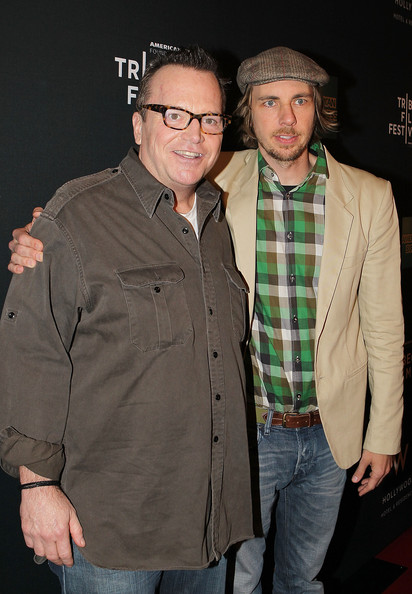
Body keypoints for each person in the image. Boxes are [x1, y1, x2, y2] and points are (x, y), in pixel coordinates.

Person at [8, 47, 405, 593]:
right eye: (268, 102)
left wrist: (383, 431)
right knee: (238, 583)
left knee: (302, 579)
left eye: (299, 101)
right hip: (222, 449)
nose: (285, 119)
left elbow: (384, 325)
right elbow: (39, 342)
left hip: (295, 450)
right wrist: (44, 234)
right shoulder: (208, 184)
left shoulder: (349, 197)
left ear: (320, 110)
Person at [0, 46, 254, 594]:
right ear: (139, 124)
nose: (194, 134)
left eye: (210, 119)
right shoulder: (77, 216)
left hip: (207, 520)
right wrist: (37, 485)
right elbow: (33, 351)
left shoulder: (215, 219)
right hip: (111, 530)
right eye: (175, 115)